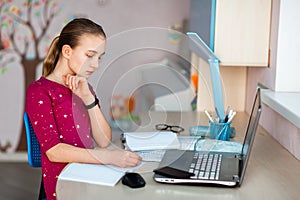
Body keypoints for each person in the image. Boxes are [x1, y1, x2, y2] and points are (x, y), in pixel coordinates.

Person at [25, 18, 141, 200]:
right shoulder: (40, 91)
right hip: (64, 184)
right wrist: (107, 157)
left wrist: (88, 99)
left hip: (88, 175)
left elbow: (103, 140)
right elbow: (54, 151)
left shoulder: (84, 88)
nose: (95, 64)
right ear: (67, 51)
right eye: (89, 55)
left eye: (100, 58)